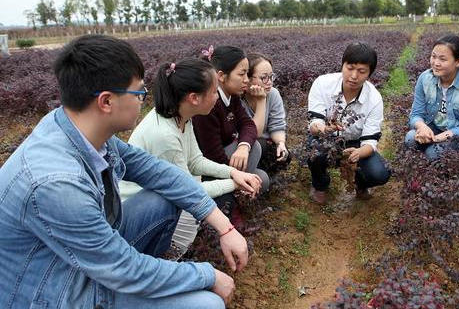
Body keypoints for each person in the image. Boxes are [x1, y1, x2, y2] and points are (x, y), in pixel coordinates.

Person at [0, 35, 246, 309]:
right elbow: (122, 267)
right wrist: (206, 274)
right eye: (139, 93)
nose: (144, 100)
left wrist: (224, 228)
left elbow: (158, 172)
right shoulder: (56, 184)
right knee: (206, 304)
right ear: (106, 102)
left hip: (84, 259)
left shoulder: (81, 130)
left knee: (163, 198)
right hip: (57, 290)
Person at [119, 57, 262, 258]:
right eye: (214, 92)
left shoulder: (181, 116)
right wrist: (235, 183)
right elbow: (186, 190)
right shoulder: (165, 135)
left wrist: (233, 172)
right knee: (168, 251)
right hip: (142, 210)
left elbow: (195, 161)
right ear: (194, 98)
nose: (216, 97)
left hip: (160, 198)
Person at [307, 42, 391, 204]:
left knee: (380, 173)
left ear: (369, 74)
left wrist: (360, 152)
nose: (353, 76)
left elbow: (370, 142)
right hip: (325, 138)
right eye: (350, 68)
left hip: (356, 143)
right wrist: (324, 129)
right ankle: (320, 185)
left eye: (361, 71)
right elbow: (314, 123)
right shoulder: (322, 84)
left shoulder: (374, 99)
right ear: (343, 64)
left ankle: (361, 184)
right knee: (315, 152)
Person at [193, 46, 270, 223]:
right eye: (242, 74)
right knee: (256, 149)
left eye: (248, 74)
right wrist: (239, 177)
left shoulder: (232, 95)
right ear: (221, 76)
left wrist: (243, 147)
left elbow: (248, 125)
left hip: (227, 157)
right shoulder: (209, 104)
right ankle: (236, 197)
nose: (246, 80)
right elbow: (212, 155)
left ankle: (240, 194)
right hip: (209, 168)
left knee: (262, 177)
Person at [404, 34, 459, 159]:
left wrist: (439, 138)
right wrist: (422, 127)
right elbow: (415, 115)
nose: (436, 63)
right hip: (435, 127)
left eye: (442, 59)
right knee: (411, 139)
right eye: (433, 56)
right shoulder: (425, 78)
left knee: (432, 153)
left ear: (458, 62)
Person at [241, 52, 290, 172]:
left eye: (271, 76)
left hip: (267, 144)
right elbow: (254, 133)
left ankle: (267, 183)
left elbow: (277, 125)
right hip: (244, 146)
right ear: (248, 78)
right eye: (264, 78)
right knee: (260, 145)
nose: (269, 82)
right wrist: (261, 100)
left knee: (282, 153)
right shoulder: (238, 99)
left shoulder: (273, 93)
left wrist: (280, 143)